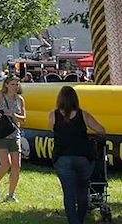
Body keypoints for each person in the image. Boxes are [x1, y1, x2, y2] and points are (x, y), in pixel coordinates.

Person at [49, 86, 106, 224]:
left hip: (62, 157)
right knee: (82, 191)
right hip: (83, 157)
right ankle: (79, 220)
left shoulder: (53, 114)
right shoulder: (83, 114)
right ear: (75, 99)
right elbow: (101, 129)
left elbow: (53, 130)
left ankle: (74, 222)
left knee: (69, 194)